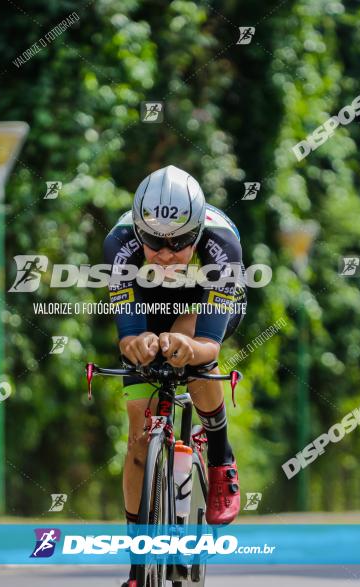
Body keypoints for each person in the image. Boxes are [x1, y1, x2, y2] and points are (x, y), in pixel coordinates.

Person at [103, 165, 247, 542]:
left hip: (203, 304)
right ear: (137, 230)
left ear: (197, 232)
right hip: (148, 303)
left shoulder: (222, 244)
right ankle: (138, 557)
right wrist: (136, 343)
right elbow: (129, 335)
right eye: (153, 242)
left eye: (179, 243)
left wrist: (188, 345)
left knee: (191, 348)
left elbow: (208, 344)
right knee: (137, 435)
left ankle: (221, 458)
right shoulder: (119, 244)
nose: (165, 255)